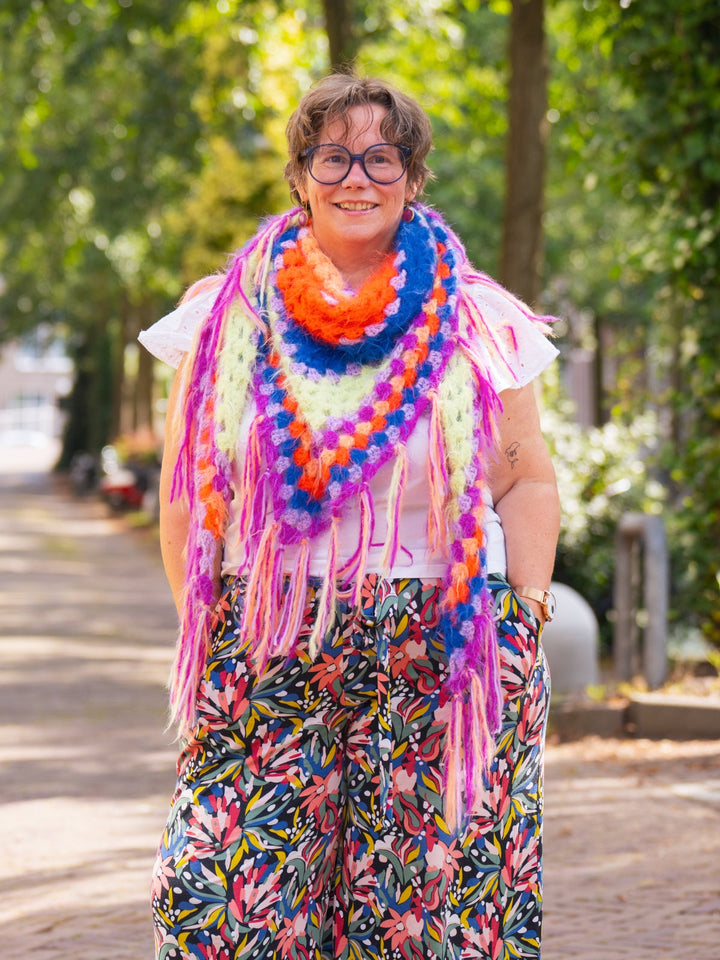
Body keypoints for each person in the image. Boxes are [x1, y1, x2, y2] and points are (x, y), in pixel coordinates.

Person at [139, 73, 561, 960]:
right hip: (268, 632)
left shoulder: (476, 319)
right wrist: (200, 623)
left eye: (382, 155)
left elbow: (524, 481)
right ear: (301, 175)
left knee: (424, 919)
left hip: (440, 641)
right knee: (227, 909)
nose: (356, 176)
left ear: (413, 175)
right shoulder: (226, 315)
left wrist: (524, 619)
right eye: (334, 155)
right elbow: (187, 491)